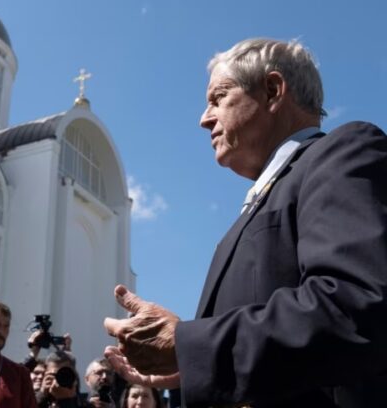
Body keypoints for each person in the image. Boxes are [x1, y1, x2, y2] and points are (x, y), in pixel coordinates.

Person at [104, 38, 387, 407]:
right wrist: (193, 366)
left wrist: (189, 345)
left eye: (218, 98)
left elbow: (354, 307)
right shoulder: (251, 210)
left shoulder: (343, 152)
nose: (204, 119)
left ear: (272, 90)